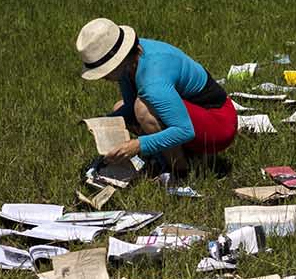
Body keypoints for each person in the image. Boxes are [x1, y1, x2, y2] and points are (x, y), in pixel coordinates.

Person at [75, 17, 238, 173]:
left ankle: (179, 171)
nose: (103, 77)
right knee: (121, 107)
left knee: (143, 109)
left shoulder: (153, 81)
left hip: (219, 124)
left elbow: (184, 131)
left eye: (105, 70)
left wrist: (137, 146)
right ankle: (184, 155)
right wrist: (105, 121)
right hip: (197, 113)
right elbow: (129, 106)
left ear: (119, 60)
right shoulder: (130, 62)